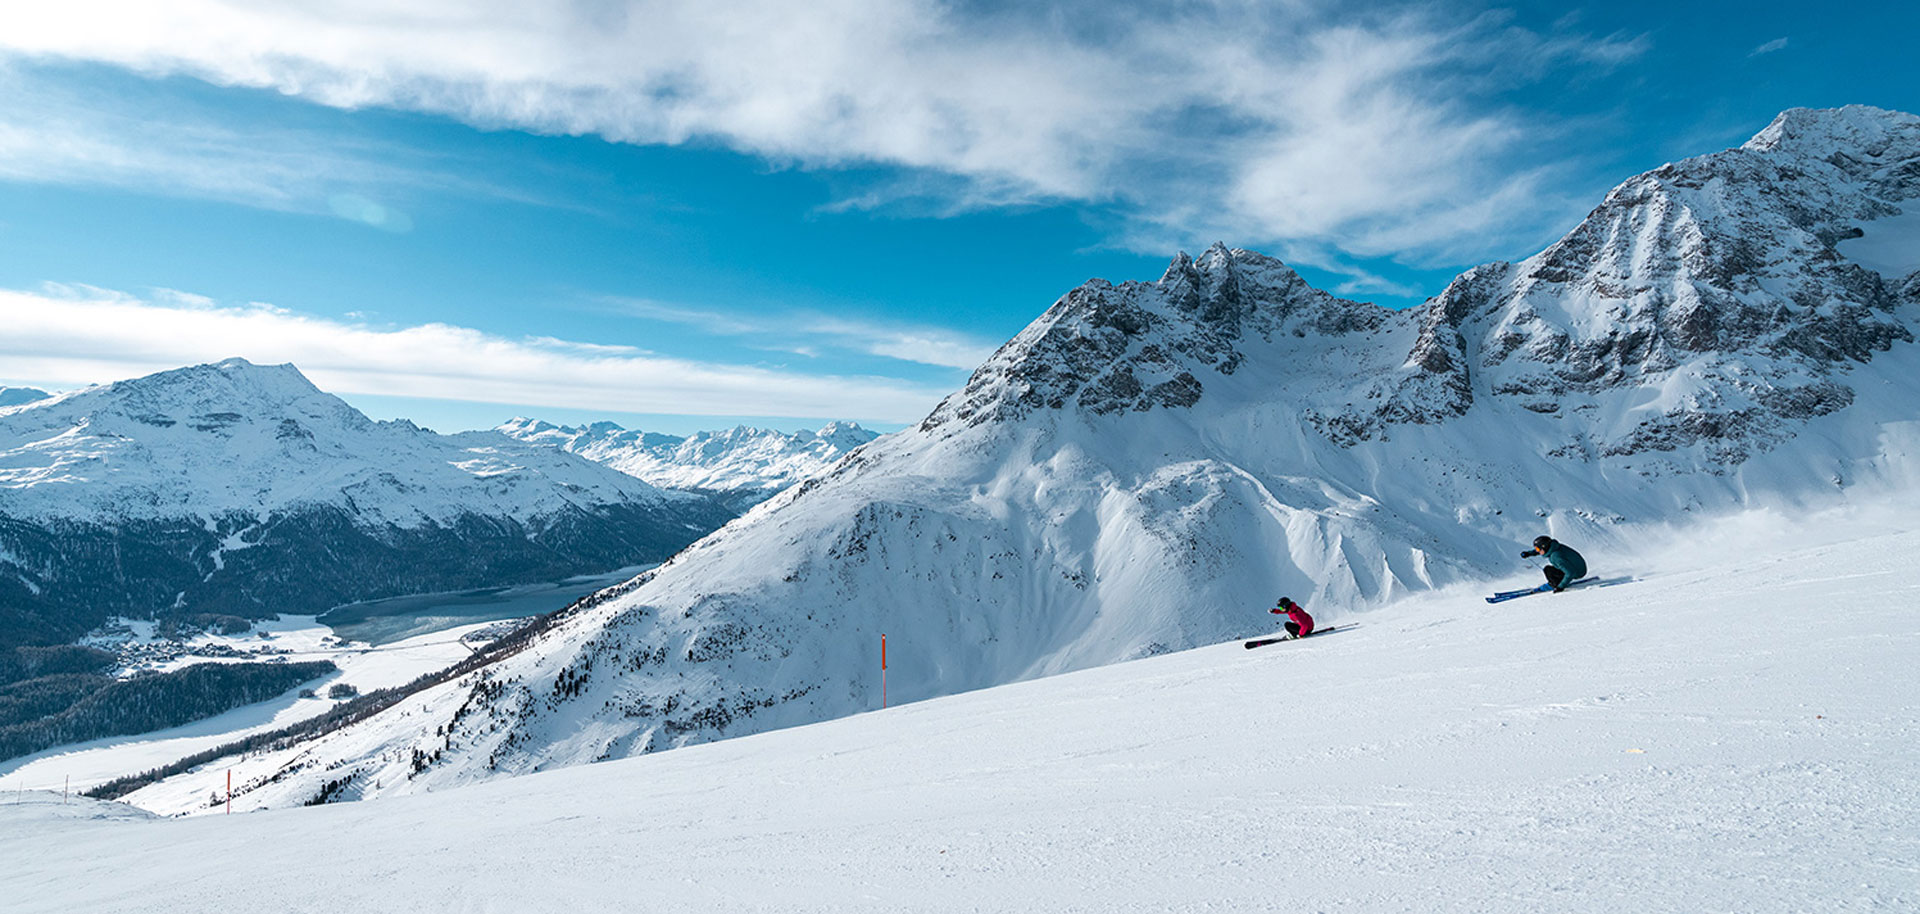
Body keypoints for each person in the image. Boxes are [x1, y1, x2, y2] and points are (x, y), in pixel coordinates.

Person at [1523, 535, 1587, 592]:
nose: (1537, 550)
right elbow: (1541, 551)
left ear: (1544, 547)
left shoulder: (1556, 557)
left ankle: (1553, 584)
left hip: (1577, 572)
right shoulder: (1553, 547)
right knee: (1552, 569)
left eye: (1537, 548)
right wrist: (1529, 553)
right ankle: (1558, 581)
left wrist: (1560, 587)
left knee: (1548, 570)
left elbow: (1570, 573)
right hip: (1576, 567)